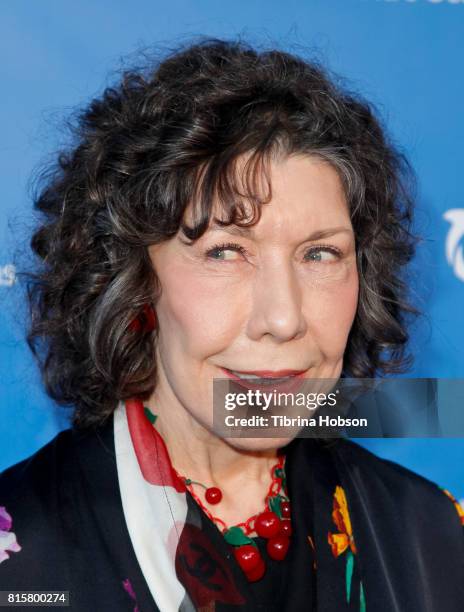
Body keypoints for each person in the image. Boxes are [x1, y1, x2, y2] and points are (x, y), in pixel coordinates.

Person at [1, 37, 463, 612]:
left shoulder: (430, 536)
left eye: (320, 254)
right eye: (225, 251)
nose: (283, 318)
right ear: (132, 278)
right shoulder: (20, 556)